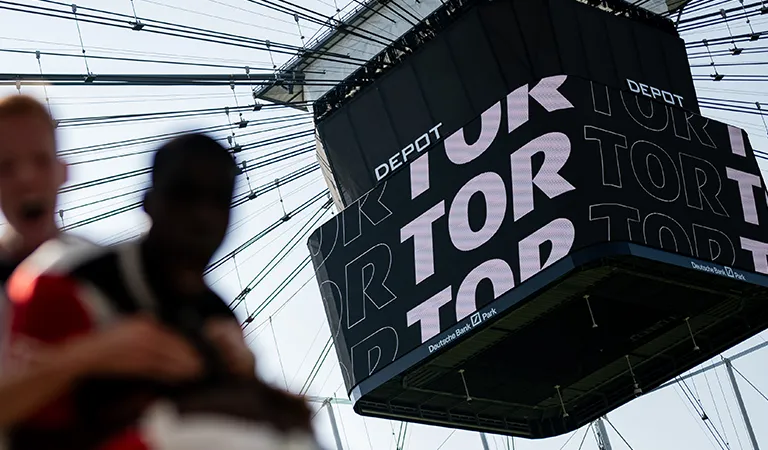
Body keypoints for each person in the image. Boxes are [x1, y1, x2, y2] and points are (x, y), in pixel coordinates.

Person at [7, 133, 312, 450]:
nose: (203, 217)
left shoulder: (216, 314)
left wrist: (248, 380)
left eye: (219, 200)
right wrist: (95, 355)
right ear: (150, 203)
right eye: (185, 195)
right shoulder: (72, 284)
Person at [0, 97, 208, 446]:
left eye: (40, 161)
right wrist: (90, 355)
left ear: (63, 170)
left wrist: (218, 352)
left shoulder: (111, 271)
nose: (25, 178)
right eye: (5, 166)